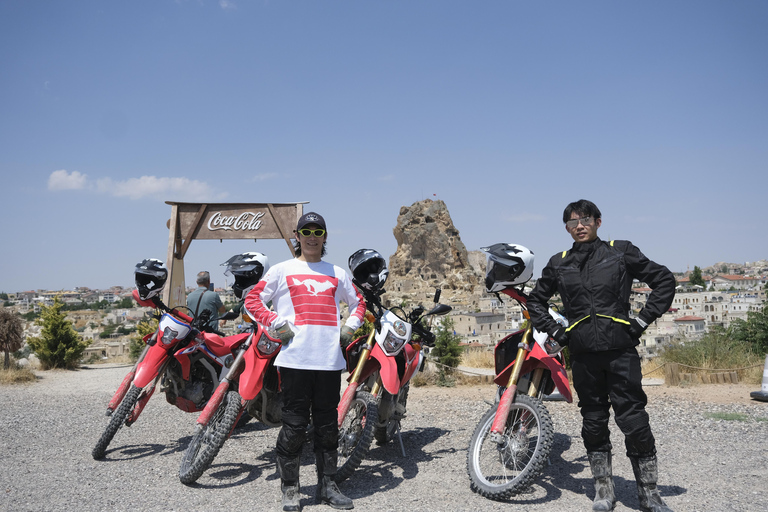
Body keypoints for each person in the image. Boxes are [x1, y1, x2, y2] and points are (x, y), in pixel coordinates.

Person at [527, 199, 675, 512]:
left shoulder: (621, 252)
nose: (579, 226)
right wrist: (557, 333)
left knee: (634, 421)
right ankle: (603, 491)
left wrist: (641, 322)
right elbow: (535, 302)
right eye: (572, 222)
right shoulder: (559, 263)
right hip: (583, 357)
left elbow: (664, 280)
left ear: (598, 222)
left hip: (621, 352)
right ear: (566, 228)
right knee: (593, 422)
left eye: (585, 219)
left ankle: (650, 494)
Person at [244, 211, 366, 512]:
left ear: (324, 237)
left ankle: (327, 487)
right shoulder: (282, 270)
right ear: (297, 237)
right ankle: (290, 489)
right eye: (306, 232)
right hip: (295, 361)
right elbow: (252, 300)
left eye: (318, 232)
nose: (312, 237)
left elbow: (359, 303)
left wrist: (350, 327)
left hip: (328, 362)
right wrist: (276, 323)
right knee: (295, 426)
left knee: (327, 427)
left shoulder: (336, 273)